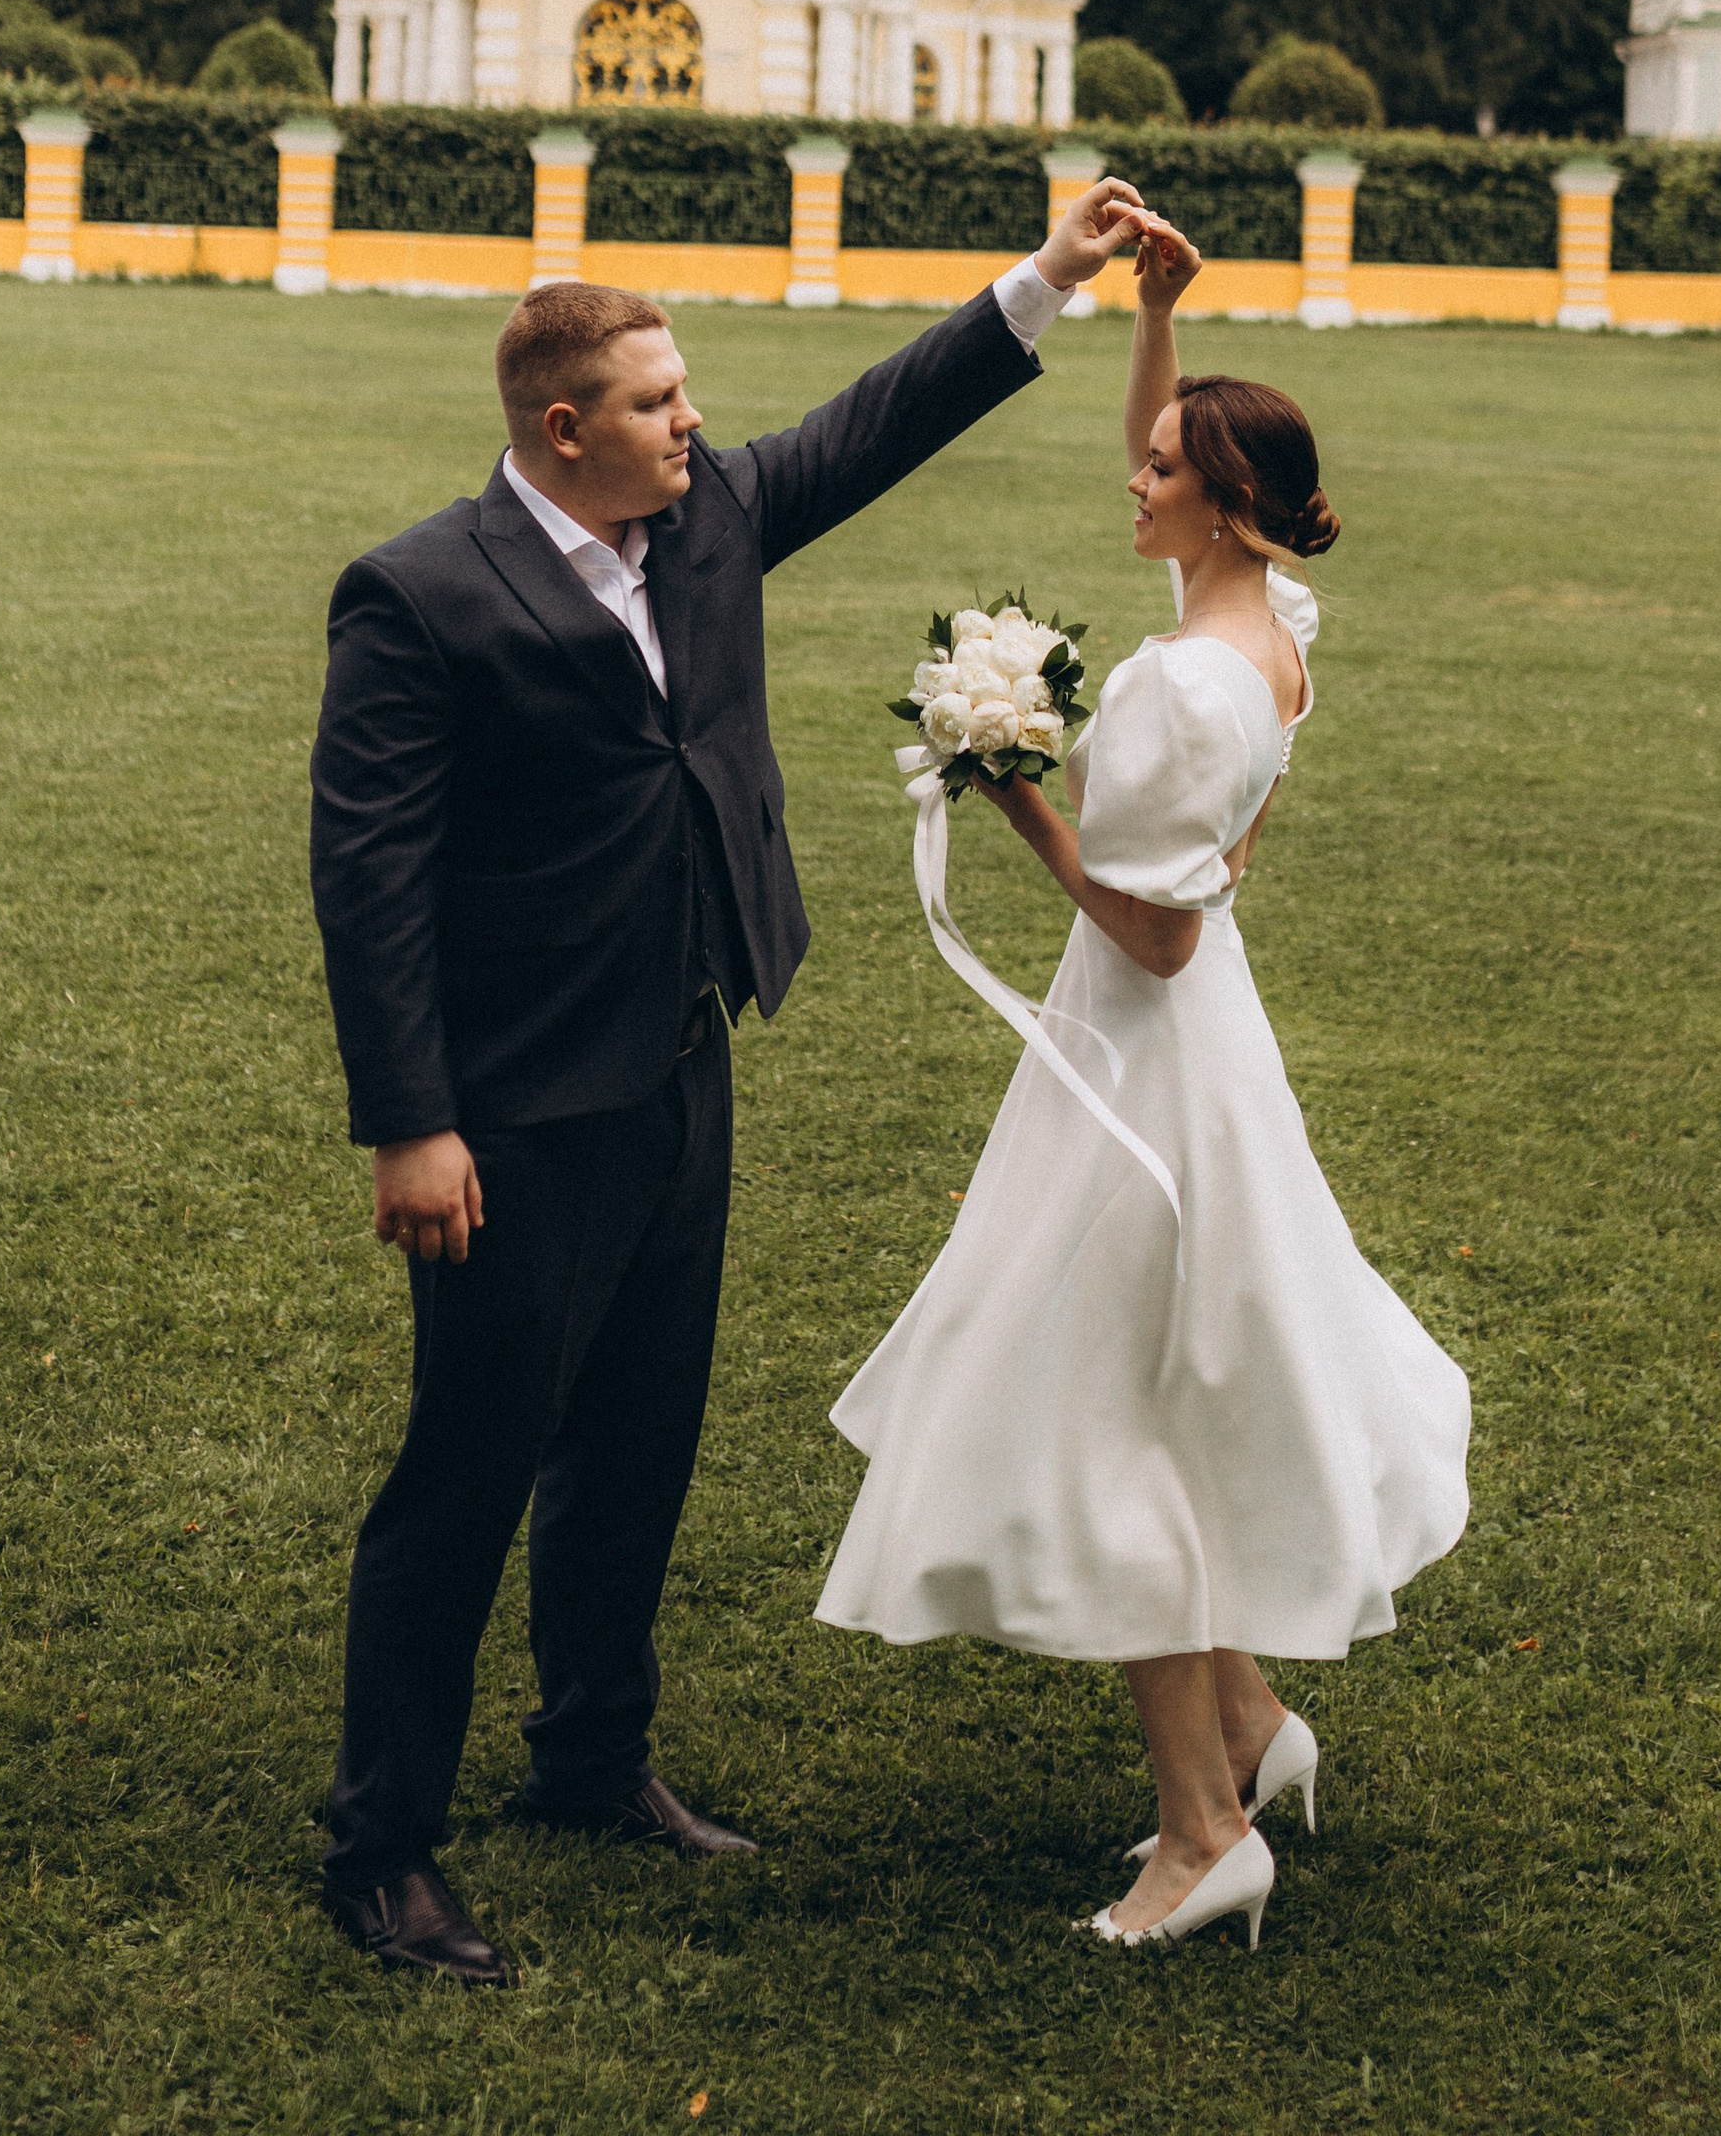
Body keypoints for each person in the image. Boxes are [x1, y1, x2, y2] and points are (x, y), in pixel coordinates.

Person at [306, 180, 1152, 1985]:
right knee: (465, 1470)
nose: (696, 421)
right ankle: (385, 1846)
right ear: (563, 429)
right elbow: (366, 874)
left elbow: (880, 417)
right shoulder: (420, 597)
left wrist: (1049, 281)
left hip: (683, 1060)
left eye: (689, 395)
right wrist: (412, 1121)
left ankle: (593, 1762)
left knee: (637, 1446)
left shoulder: (709, 520)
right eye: (658, 400)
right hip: (514, 1113)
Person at [816, 215, 1471, 1948]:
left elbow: (1160, 935)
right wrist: (1161, 317)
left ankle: (1204, 1834)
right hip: (1183, 1053)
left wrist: (1003, 776)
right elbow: (1160, 462)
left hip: (1147, 1059)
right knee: (1146, 1398)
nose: (1138, 476)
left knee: (1112, 1423)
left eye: (1165, 470)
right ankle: (1252, 1730)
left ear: (1221, 507)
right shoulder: (1269, 628)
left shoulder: (1186, 687)